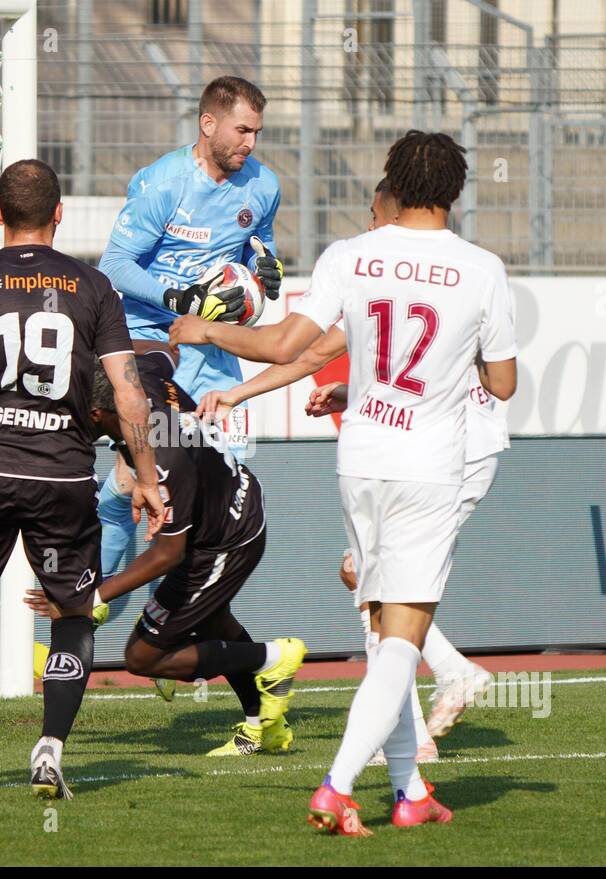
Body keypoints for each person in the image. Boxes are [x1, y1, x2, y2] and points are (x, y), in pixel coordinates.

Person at [170, 131, 518, 835]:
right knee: (400, 639)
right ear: (455, 191)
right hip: (427, 464)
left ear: (392, 180)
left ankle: (408, 790)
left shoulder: (351, 256)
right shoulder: (481, 268)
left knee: (376, 624)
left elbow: (282, 345)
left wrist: (205, 334)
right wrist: (464, 365)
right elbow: (503, 384)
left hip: (360, 458)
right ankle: (337, 785)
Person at [0, 159, 164, 801]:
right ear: (59, 215)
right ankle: (50, 749)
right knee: (73, 611)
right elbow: (129, 394)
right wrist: (147, 476)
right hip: (62, 475)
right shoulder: (94, 288)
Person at [27, 350, 306, 756]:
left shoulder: (162, 458)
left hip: (226, 537)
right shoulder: (143, 381)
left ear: (100, 413)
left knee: (143, 656)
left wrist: (94, 598)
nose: (70, 423)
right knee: (214, 621)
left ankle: (275, 657)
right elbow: (164, 353)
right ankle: (265, 724)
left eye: (77, 414)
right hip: (225, 505)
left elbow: (167, 555)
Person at [95, 75, 284, 587]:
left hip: (212, 347)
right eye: (242, 130)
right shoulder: (161, 183)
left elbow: (258, 251)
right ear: (208, 123)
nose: (250, 142)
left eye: (256, 132)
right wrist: (175, 298)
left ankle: (169, 640)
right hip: (153, 347)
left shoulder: (264, 186)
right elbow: (114, 264)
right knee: (151, 484)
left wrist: (266, 269)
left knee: (219, 488)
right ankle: (75, 622)